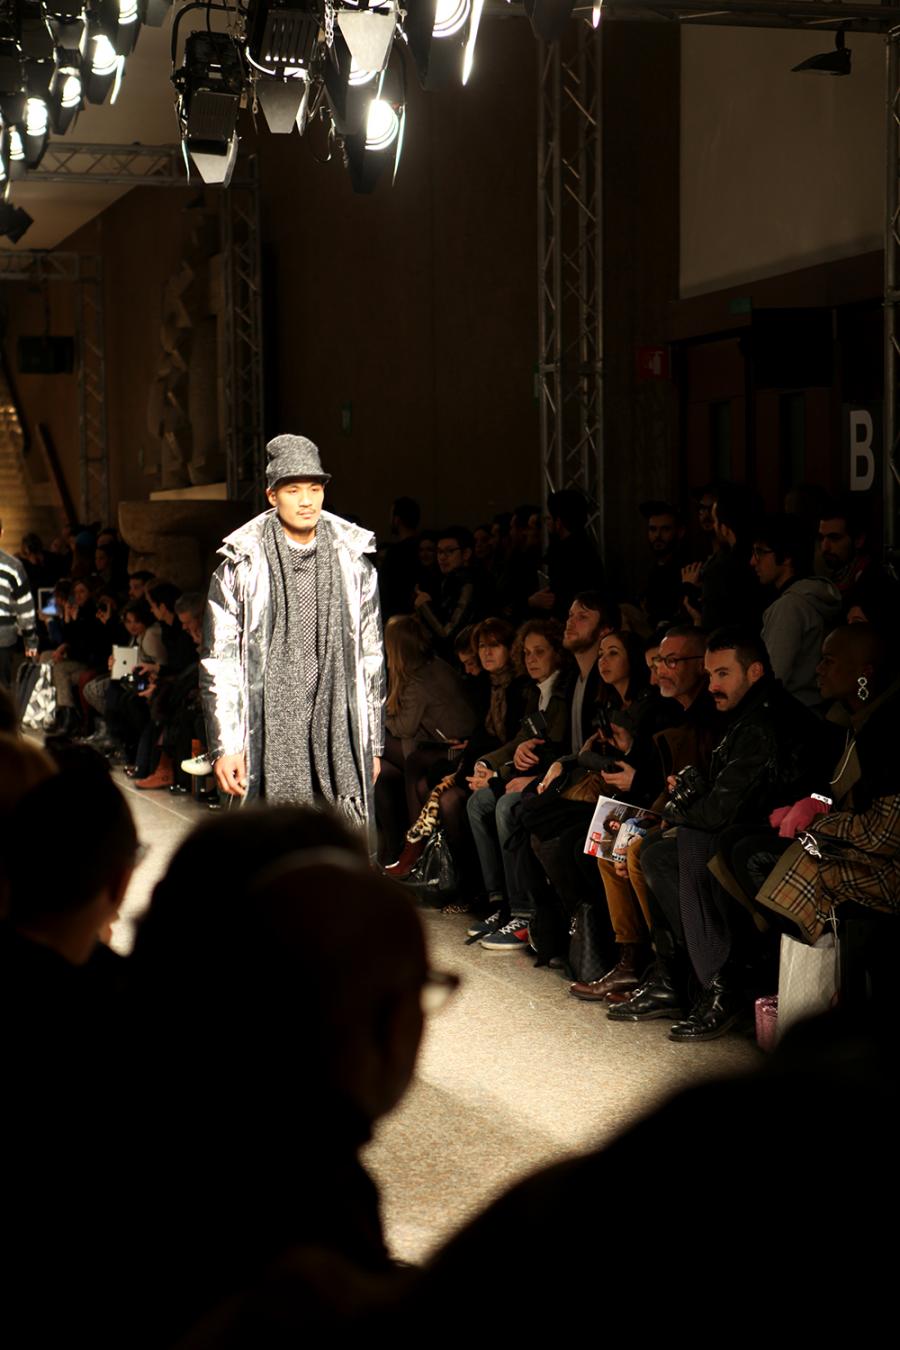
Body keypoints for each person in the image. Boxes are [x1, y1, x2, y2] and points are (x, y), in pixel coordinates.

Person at [201, 434, 385, 838]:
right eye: (293, 489)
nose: (306, 501)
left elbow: (370, 658)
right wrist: (226, 744)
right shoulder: (241, 567)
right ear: (272, 496)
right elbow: (221, 663)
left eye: (315, 489)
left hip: (337, 723)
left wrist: (371, 742)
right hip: (268, 726)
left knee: (338, 841)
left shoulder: (354, 565)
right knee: (273, 841)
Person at [750, 513, 841, 707]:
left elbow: (773, 677)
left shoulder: (789, 607)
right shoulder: (813, 595)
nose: (753, 561)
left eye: (760, 552)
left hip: (793, 713)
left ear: (786, 557)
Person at [0, 516, 38, 687]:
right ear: (1, 533)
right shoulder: (13, 566)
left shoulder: (15, 566)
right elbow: (25, 607)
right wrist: (30, 641)